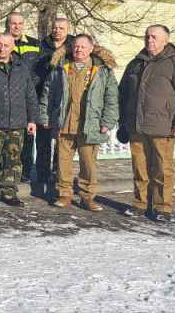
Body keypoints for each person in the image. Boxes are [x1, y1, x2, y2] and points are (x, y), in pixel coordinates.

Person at [118, 25, 175, 222]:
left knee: (162, 170)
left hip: (163, 128)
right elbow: (123, 94)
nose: (149, 40)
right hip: (136, 127)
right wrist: (123, 122)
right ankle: (140, 204)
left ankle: (163, 207)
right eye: (147, 37)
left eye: (154, 37)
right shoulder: (135, 64)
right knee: (140, 168)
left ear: (165, 40)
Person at [39, 34, 118, 211]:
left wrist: (108, 121)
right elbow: (47, 93)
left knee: (88, 164)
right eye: (76, 46)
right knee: (63, 162)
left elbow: (112, 98)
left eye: (83, 47)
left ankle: (87, 197)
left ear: (91, 49)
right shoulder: (61, 67)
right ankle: (64, 194)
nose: (79, 50)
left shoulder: (102, 70)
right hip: (64, 122)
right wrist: (44, 116)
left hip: (90, 124)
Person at [0, 34, 37, 207]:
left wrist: (32, 119)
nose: (1, 48)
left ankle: (9, 192)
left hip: (17, 123)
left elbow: (30, 95)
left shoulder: (21, 68)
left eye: (6, 45)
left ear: (12, 47)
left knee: (13, 160)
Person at [34, 17, 72, 190]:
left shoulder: (73, 46)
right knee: (43, 140)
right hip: (44, 95)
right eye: (55, 27)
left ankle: (58, 175)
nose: (57, 31)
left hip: (64, 99)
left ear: (67, 30)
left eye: (61, 28)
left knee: (61, 142)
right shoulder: (42, 45)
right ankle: (42, 173)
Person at [4, 12, 41, 183]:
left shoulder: (34, 44)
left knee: (27, 137)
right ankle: (6, 172)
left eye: (20, 23)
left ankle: (24, 171)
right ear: (7, 25)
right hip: (6, 97)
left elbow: (41, 70)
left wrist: (31, 86)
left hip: (28, 96)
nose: (16, 26)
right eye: (13, 23)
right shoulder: (0, 42)